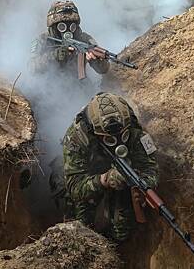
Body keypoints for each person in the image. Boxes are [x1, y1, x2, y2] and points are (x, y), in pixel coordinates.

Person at [61, 92, 159, 242]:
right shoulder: (77, 138)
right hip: (89, 174)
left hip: (123, 175)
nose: (119, 142)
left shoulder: (135, 130)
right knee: (82, 223)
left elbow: (150, 167)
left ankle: (116, 245)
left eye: (124, 135)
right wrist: (104, 179)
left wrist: (143, 184)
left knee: (123, 226)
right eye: (109, 139)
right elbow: (75, 187)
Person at [31, 1, 110, 78]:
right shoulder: (43, 40)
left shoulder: (84, 39)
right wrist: (54, 56)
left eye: (72, 26)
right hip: (48, 87)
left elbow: (104, 69)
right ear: (54, 27)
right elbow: (31, 68)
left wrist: (96, 61)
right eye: (62, 27)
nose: (67, 30)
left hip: (80, 87)